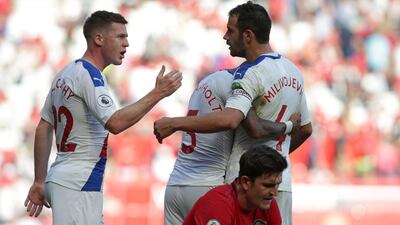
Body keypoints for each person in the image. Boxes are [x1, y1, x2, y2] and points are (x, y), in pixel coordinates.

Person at [154, 2, 312, 225]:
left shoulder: (248, 73)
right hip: (280, 182)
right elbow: (305, 129)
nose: (225, 36)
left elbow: (231, 119)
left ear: (248, 36)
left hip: (248, 185)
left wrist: (174, 123)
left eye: (231, 30)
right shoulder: (294, 72)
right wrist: (278, 156)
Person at [24, 10, 182, 225]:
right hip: (79, 182)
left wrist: (40, 180)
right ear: (98, 38)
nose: (126, 44)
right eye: (120, 37)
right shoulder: (90, 75)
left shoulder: (64, 74)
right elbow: (115, 123)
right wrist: (158, 93)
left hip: (65, 177)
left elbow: (44, 126)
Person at [164, 68, 300, 225]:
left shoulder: (206, 81)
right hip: (207, 182)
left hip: (177, 181)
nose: (275, 192)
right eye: (269, 185)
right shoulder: (239, 84)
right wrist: (289, 126)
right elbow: (253, 127)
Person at [182, 145, 287, 225]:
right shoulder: (218, 205)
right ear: (245, 182)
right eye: (268, 185)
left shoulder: (267, 203)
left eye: (277, 185)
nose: (275, 193)